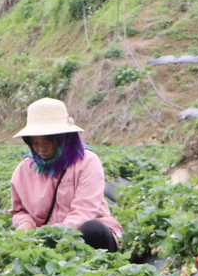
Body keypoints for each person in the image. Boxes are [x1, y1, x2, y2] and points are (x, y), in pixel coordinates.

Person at [8, 97, 122, 252]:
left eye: (47, 141)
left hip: (81, 236)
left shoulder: (87, 162)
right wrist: (25, 225)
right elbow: (19, 211)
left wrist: (51, 235)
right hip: (43, 241)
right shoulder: (24, 170)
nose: (40, 149)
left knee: (92, 229)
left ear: (63, 138)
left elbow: (84, 211)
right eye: (35, 142)